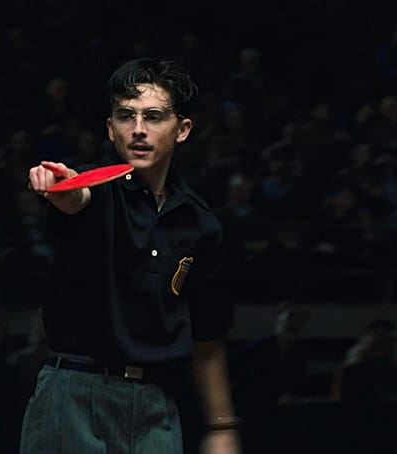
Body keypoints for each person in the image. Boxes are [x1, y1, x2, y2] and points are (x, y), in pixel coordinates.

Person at [22, 58, 241, 453]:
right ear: (111, 128)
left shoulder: (201, 224)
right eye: (126, 116)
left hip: (155, 403)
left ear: (182, 129)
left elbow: (207, 337)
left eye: (154, 117)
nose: (138, 130)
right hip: (73, 393)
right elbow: (75, 199)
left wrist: (221, 427)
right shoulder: (94, 189)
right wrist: (61, 191)